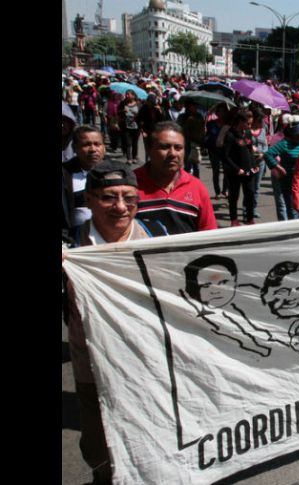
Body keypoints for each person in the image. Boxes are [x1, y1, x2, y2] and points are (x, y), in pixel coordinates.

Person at [63, 161, 168, 485]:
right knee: (99, 448)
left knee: (154, 440)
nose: (120, 207)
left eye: (128, 197)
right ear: (89, 199)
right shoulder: (72, 246)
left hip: (148, 364)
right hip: (93, 368)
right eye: (108, 197)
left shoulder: (157, 236)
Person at [135, 121, 217, 234]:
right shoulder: (130, 185)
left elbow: (209, 234)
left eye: (178, 148)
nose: (173, 154)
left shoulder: (197, 187)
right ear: (148, 149)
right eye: (165, 147)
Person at [62, 126, 107, 241]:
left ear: (104, 147)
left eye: (97, 144)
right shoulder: (65, 174)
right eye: (86, 145)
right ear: (74, 148)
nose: (93, 149)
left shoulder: (117, 172)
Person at [264, 119, 299, 220]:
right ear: (296, 134)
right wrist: (279, 167)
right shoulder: (284, 143)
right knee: (293, 212)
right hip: (289, 184)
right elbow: (268, 154)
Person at [222, 109, 260, 226]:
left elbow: (250, 151)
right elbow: (225, 156)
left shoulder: (247, 133)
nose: (250, 126)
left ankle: (250, 218)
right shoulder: (230, 135)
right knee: (234, 196)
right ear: (240, 122)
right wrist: (237, 169)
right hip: (235, 172)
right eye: (247, 123)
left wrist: (255, 165)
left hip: (248, 170)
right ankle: (234, 219)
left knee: (250, 194)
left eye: (251, 123)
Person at [204, 103, 231, 199]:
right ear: (217, 113)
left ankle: (225, 190)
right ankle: (217, 191)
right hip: (213, 150)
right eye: (220, 112)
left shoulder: (229, 125)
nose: (221, 114)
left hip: (225, 151)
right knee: (215, 171)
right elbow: (207, 135)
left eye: (223, 112)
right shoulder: (211, 123)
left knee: (227, 171)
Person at [177, 100, 206, 178]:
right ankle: (185, 180)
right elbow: (179, 129)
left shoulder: (199, 116)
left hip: (196, 142)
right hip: (185, 142)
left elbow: (202, 129)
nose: (196, 108)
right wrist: (188, 122)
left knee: (196, 165)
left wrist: (202, 139)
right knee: (187, 164)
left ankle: (196, 181)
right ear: (188, 107)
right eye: (194, 106)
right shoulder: (182, 116)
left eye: (196, 106)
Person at [137, 93, 168, 163]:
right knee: (148, 147)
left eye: (152, 102)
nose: (150, 104)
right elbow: (139, 119)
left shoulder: (159, 108)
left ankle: (156, 161)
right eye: (149, 102)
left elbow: (164, 120)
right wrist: (142, 131)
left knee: (156, 146)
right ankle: (148, 162)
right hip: (147, 131)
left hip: (157, 131)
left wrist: (160, 111)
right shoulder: (144, 108)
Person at [118, 89, 141, 164]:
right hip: (126, 126)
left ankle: (134, 157)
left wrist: (137, 115)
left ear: (133, 96)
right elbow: (118, 112)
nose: (127, 95)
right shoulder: (123, 103)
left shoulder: (138, 104)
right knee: (128, 143)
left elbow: (143, 114)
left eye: (128, 94)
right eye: (126, 94)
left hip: (136, 127)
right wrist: (123, 111)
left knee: (135, 143)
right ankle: (129, 158)